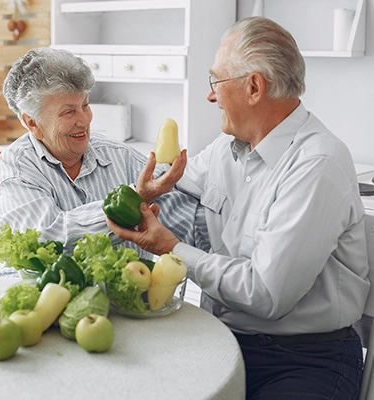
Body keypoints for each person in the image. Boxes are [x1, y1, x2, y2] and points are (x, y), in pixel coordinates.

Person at [107, 17, 370, 399]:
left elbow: (265, 294)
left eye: (216, 82)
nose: (210, 96)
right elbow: (173, 182)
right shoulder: (226, 149)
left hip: (303, 360)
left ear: (253, 87)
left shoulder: (317, 165)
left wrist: (171, 248)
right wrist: (149, 189)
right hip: (223, 340)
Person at [0, 46, 209, 278]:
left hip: (117, 307)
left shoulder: (119, 156)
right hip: (34, 304)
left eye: (85, 104)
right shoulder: (18, 165)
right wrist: (134, 198)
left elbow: (185, 219)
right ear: (32, 122)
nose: (84, 120)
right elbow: (48, 240)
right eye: (68, 112)